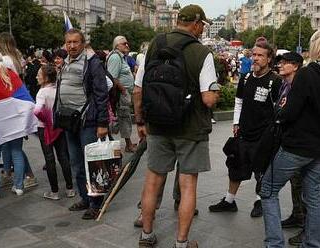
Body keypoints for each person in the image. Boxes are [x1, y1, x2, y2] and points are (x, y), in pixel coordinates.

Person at [134, 4, 219, 248]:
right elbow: (208, 99)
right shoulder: (201, 52)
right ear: (194, 23)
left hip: (158, 126)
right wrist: (215, 89)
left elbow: (138, 90)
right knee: (188, 185)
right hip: (191, 129)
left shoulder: (155, 45)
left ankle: (147, 235)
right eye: (202, 24)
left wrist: (141, 121)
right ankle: (181, 242)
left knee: (153, 181)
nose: (203, 28)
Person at [209, 38, 282, 218]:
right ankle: (229, 201)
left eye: (260, 55)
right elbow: (239, 101)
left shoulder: (275, 81)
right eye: (254, 54)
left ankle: (259, 201)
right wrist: (236, 123)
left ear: (269, 59)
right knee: (235, 166)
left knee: (261, 170)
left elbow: (279, 109)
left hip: (264, 135)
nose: (255, 58)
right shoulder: (246, 78)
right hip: (244, 132)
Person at [260, 30, 320, 247]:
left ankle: (274, 243)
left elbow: (290, 112)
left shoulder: (307, 73)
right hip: (317, 149)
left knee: (267, 189)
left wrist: (279, 113)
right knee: (314, 198)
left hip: (297, 146)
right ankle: (313, 243)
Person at [53, 29, 109, 220]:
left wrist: (102, 122)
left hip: (88, 121)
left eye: (75, 42)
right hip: (70, 121)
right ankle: (85, 198)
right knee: (76, 163)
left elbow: (101, 93)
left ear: (83, 43)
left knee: (91, 164)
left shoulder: (92, 63)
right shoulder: (65, 62)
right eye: (68, 42)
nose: (72, 46)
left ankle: (96, 203)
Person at [0, 48, 37, 200]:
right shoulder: (9, 74)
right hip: (14, 123)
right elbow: (25, 98)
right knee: (16, 152)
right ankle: (19, 187)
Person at [273, 52, 305, 246]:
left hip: (301, 144)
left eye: (285, 63)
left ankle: (307, 228)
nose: (281, 65)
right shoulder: (284, 85)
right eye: (280, 62)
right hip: (287, 141)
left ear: (296, 66)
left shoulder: (300, 86)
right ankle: (297, 214)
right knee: (296, 183)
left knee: (305, 187)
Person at [34, 64, 75, 200]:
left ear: (45, 78)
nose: (36, 76)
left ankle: (54, 192)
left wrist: (46, 119)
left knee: (49, 158)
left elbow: (37, 110)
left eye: (39, 74)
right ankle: (70, 189)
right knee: (63, 157)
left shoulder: (42, 92)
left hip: (45, 128)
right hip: (59, 126)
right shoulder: (58, 89)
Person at [107, 36, 136, 153]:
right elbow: (112, 77)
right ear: (117, 45)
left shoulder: (121, 57)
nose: (127, 46)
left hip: (123, 93)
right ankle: (128, 144)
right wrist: (123, 90)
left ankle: (124, 141)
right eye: (124, 43)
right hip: (120, 94)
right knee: (124, 117)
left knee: (124, 117)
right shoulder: (115, 57)